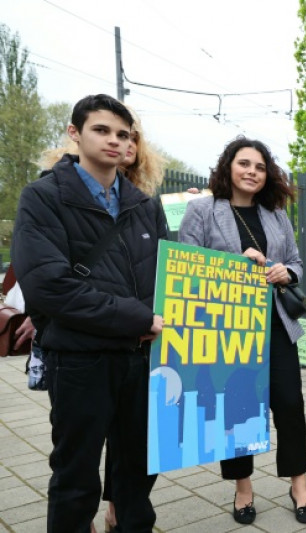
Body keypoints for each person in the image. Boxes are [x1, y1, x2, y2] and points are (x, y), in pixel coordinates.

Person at [12, 94, 166, 532]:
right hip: (80, 361)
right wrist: (137, 318)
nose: (114, 141)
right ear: (75, 133)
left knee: (138, 474)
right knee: (76, 478)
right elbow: (48, 286)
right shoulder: (43, 198)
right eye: (102, 130)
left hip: (141, 361)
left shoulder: (144, 204)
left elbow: (168, 278)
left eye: (123, 134)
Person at [178, 137, 306, 525]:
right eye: (244, 164)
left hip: (274, 325)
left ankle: (299, 485)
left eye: (259, 166)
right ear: (228, 167)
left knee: (290, 406)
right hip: (228, 330)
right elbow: (189, 267)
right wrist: (236, 265)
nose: (252, 172)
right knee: (236, 411)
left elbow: (296, 263)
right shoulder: (202, 210)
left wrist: (286, 272)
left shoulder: (275, 213)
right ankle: (243, 489)